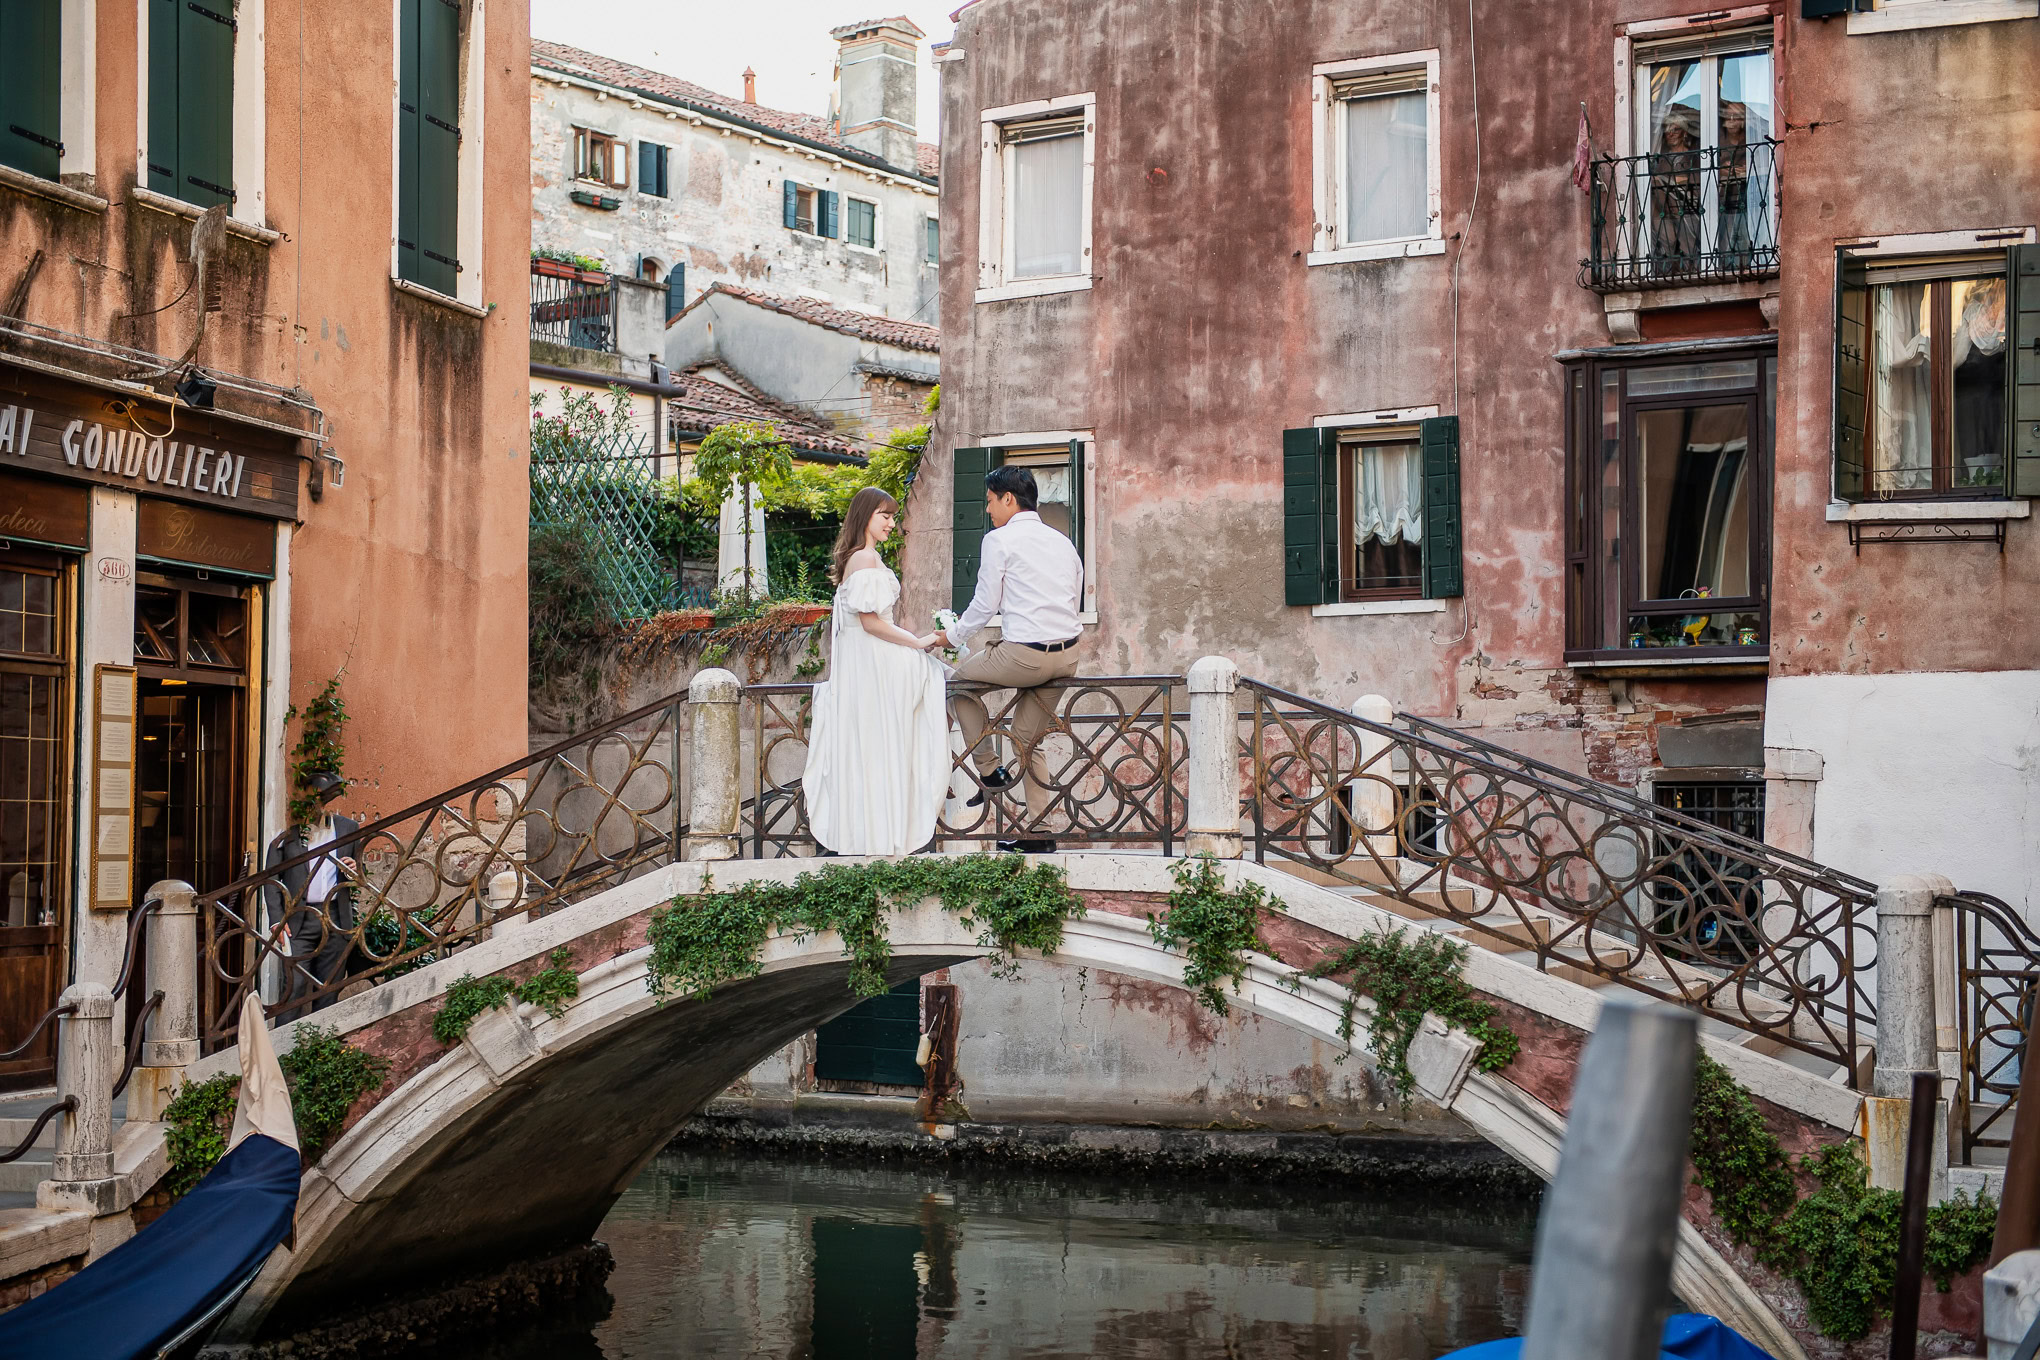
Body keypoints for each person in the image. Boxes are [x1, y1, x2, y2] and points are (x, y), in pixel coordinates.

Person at [936, 464, 1085, 854]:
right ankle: (1039, 833)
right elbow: (1076, 592)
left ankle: (989, 770)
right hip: (1068, 656)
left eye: (989, 501)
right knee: (1026, 741)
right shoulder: (1063, 541)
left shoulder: (998, 540)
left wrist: (950, 636)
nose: (987, 510)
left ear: (1007, 499)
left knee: (959, 686)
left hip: (1026, 656)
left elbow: (985, 604)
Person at [803, 487, 956, 856]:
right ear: (865, 517)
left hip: (870, 660)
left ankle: (890, 825)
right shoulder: (865, 560)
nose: (891, 522)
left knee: (884, 741)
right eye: (883, 515)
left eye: (892, 515)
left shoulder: (861, 558)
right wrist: (919, 643)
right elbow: (871, 623)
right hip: (874, 659)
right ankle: (893, 826)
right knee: (932, 686)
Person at [262, 771, 362, 1018]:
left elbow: (360, 877)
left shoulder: (349, 828)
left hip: (337, 918)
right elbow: (271, 880)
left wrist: (353, 871)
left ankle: (320, 1049)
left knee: (329, 987)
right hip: (298, 922)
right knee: (293, 987)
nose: (318, 805)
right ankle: (282, 1051)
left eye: (322, 798)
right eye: (312, 799)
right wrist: (276, 921)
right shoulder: (286, 837)